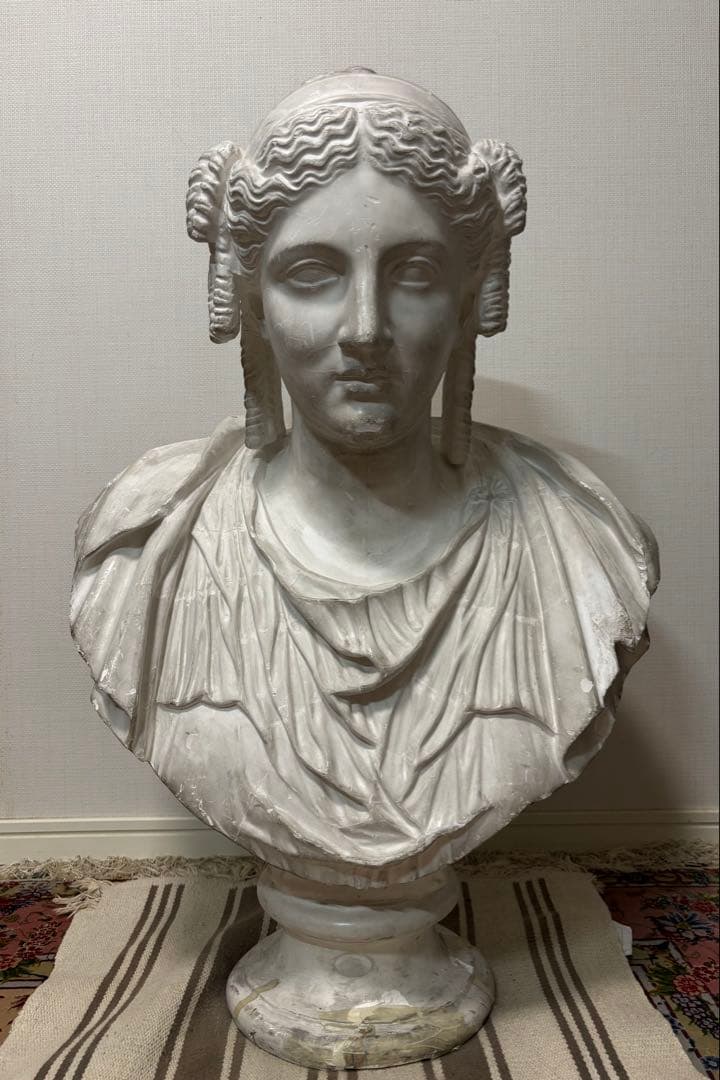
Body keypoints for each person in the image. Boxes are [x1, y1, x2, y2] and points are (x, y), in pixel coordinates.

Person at [71, 70, 658, 887]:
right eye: (312, 274)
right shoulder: (148, 547)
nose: (365, 329)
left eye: (414, 274)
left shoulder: (583, 547)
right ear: (252, 302)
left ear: (468, 299)